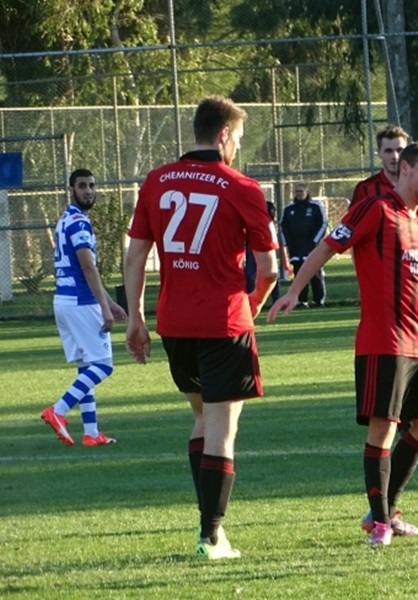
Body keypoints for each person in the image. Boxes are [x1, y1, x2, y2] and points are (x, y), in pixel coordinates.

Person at [270, 142, 418, 547]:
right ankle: (383, 523)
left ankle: (383, 508)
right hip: (383, 341)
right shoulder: (375, 209)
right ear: (404, 169)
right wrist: (296, 289)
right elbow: (328, 246)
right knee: (383, 429)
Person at [124, 95, 279, 560]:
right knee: (221, 428)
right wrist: (250, 307)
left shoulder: (156, 181)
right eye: (239, 139)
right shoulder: (242, 186)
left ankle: (208, 525)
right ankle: (211, 535)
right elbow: (268, 269)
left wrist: (135, 317)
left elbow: (135, 255)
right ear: (224, 135)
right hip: (223, 322)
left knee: (201, 418)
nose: (238, 148)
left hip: (174, 323)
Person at [41, 168, 127, 447]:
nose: (88, 190)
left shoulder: (66, 219)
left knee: (86, 367)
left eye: (91, 185)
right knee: (103, 366)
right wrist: (104, 307)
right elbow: (87, 267)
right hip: (80, 302)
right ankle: (58, 410)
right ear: (71, 189)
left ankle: (91, 434)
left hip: (64, 301)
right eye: (82, 186)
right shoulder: (79, 223)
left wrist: (111, 303)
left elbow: (84, 269)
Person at [351, 125, 418, 329]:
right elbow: (353, 240)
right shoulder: (366, 190)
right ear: (379, 153)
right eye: (389, 150)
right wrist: (361, 280)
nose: (395, 156)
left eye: (400, 150)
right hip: (382, 285)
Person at [280, 182, 327, 307]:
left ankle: (318, 300)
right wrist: (288, 243)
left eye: (301, 191)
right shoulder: (289, 208)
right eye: (297, 192)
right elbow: (283, 226)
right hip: (295, 247)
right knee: (298, 274)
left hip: (312, 247)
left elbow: (323, 224)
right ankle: (302, 300)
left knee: (315, 273)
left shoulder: (316, 206)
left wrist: (314, 241)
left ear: (307, 192)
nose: (299, 194)